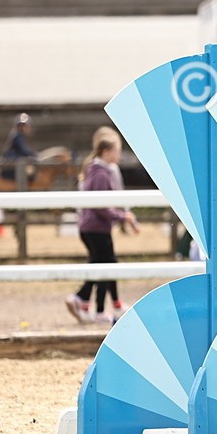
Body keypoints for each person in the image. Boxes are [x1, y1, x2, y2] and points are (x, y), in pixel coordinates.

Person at [65, 129, 140, 324]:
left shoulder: (96, 170)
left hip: (93, 227)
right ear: (106, 152)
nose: (119, 155)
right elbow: (102, 206)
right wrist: (122, 216)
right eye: (117, 151)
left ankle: (89, 304)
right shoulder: (101, 174)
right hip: (96, 227)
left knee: (102, 265)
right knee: (106, 267)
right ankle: (84, 300)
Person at [0, 113, 37, 182]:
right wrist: (34, 155)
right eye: (26, 126)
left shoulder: (18, 135)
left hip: (15, 159)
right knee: (30, 171)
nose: (28, 128)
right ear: (21, 127)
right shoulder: (17, 136)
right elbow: (24, 150)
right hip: (12, 160)